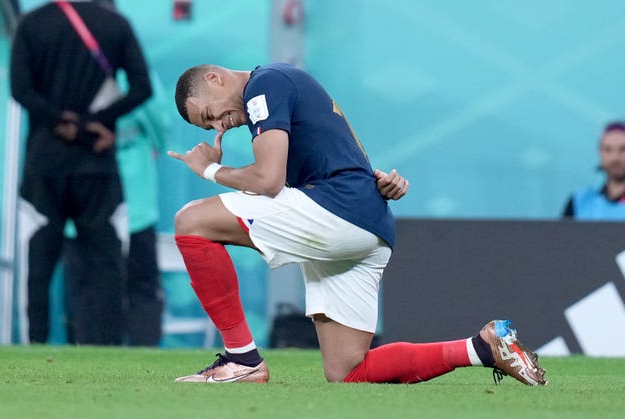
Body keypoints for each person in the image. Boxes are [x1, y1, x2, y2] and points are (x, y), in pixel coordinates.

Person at [168, 63, 548, 385]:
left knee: (191, 220)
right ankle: (482, 347)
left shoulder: (262, 86)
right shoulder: (285, 82)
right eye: (211, 126)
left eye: (210, 114)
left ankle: (243, 360)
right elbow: (334, 153)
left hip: (337, 210)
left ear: (215, 79)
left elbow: (268, 181)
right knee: (348, 370)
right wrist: (379, 181)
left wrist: (211, 169)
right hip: (369, 222)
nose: (221, 124)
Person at [10, 0, 152, 345]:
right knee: (105, 264)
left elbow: (21, 90)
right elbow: (141, 88)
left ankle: (35, 346)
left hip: (45, 164)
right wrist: (93, 124)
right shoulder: (115, 24)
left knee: (39, 267)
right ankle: (106, 348)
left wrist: (61, 122)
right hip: (97, 164)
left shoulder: (32, 23)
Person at [63, 70, 168, 346]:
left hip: (88, 191)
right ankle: (141, 359)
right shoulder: (130, 70)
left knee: (88, 286)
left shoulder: (71, 68)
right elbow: (159, 123)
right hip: (122, 195)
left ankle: (89, 355)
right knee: (137, 285)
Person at [562, 122, 625, 219]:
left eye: (622, 149)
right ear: (600, 153)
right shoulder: (579, 201)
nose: (615, 157)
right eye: (608, 149)